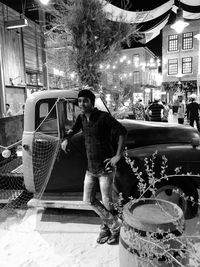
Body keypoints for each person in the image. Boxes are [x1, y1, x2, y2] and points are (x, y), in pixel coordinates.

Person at [61, 89, 127, 245]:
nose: (82, 104)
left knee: (107, 201)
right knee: (88, 200)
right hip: (90, 168)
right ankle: (114, 225)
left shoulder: (103, 117)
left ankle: (107, 229)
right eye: (80, 101)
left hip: (105, 169)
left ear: (92, 102)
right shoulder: (82, 118)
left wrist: (118, 156)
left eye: (85, 100)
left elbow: (122, 132)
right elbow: (73, 129)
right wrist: (66, 138)